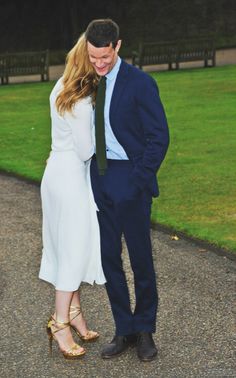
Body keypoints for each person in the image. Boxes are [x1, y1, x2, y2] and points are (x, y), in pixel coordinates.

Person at [85, 19, 169, 362]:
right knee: (109, 260)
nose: (100, 64)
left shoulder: (140, 83)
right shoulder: (87, 80)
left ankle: (145, 328)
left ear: (118, 46)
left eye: (105, 57)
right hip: (99, 178)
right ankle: (124, 329)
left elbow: (158, 137)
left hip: (129, 178)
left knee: (140, 259)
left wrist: (137, 180)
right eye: (93, 57)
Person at [39, 33, 106, 359]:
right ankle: (60, 322)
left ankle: (76, 315)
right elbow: (85, 150)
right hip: (71, 180)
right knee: (74, 251)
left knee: (64, 246)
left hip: (54, 176)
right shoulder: (80, 100)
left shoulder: (60, 87)